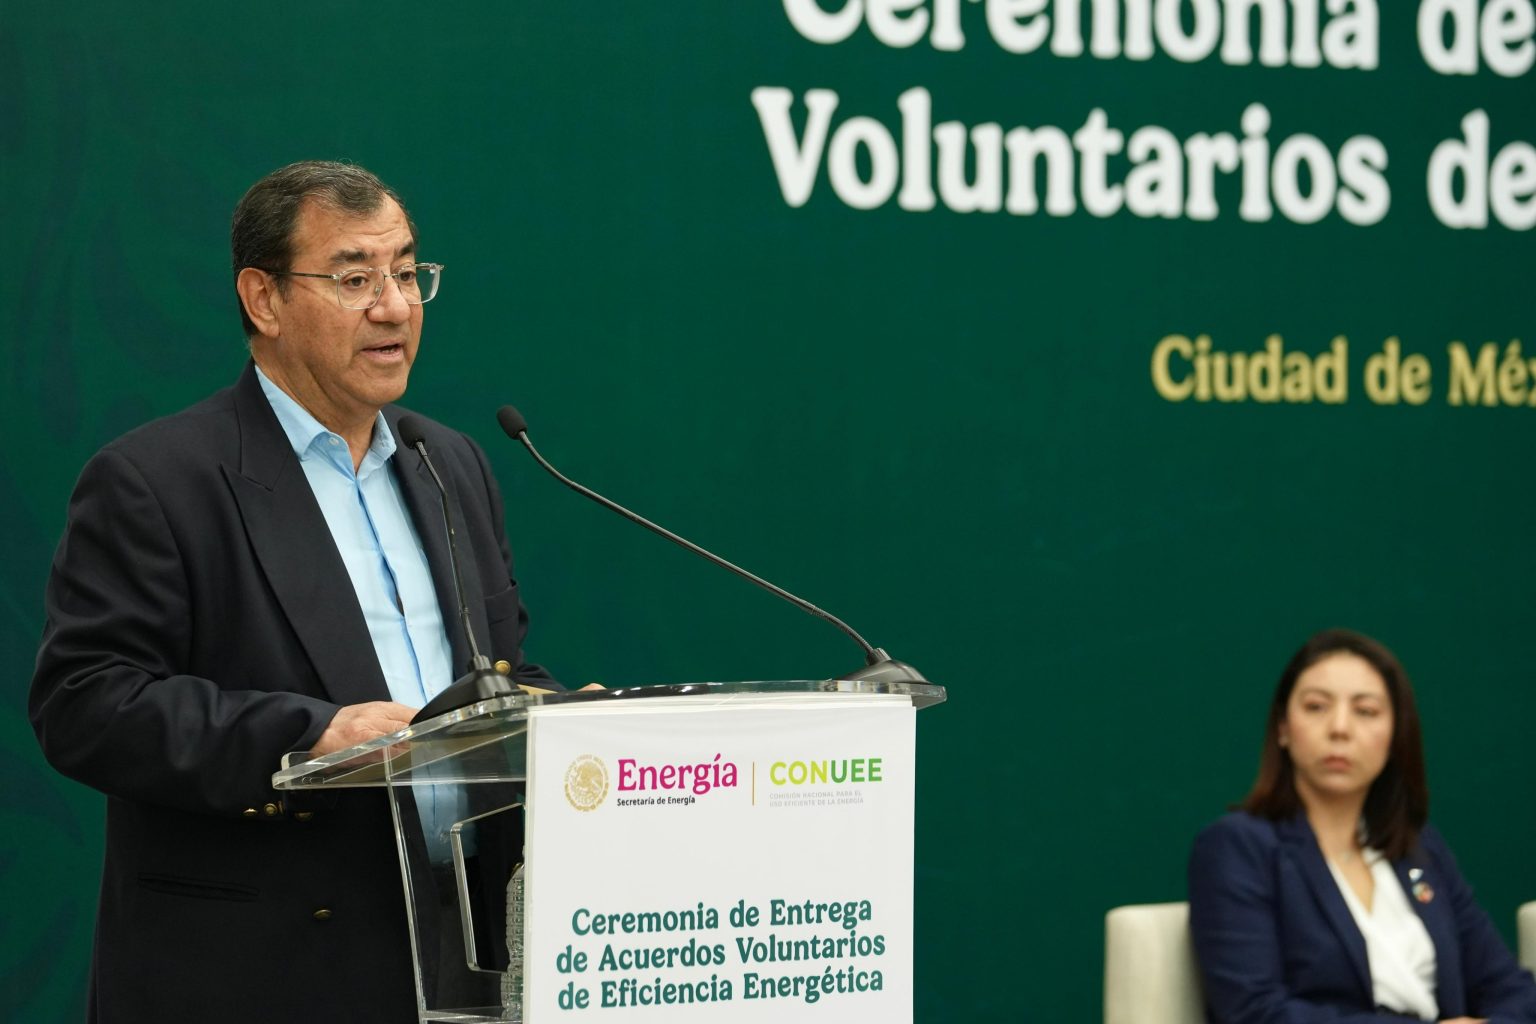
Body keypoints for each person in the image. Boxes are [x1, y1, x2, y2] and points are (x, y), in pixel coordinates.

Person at [29, 160, 558, 1022]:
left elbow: (493, 675)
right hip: (265, 969)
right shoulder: (158, 480)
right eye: (355, 279)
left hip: (462, 958)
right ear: (263, 299)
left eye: (406, 273)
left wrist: (565, 723)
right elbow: (85, 704)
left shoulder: (449, 463)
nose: (394, 306)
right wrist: (312, 736)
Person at [1188, 628, 1536, 1024]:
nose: (1340, 728)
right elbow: (1255, 1011)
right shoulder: (1237, 846)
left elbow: (1514, 990)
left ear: (1395, 735)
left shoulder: (1419, 848)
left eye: (1366, 711)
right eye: (1316, 707)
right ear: (1283, 727)